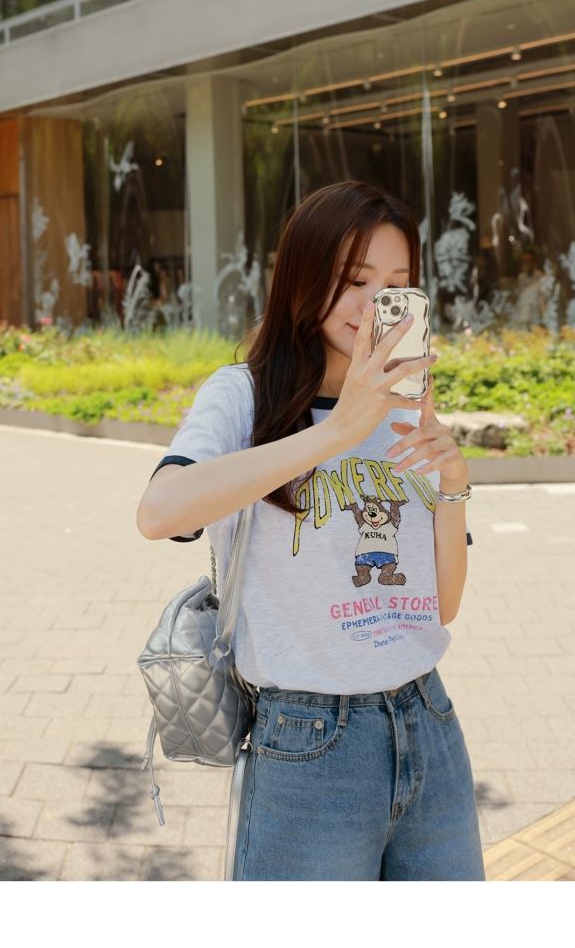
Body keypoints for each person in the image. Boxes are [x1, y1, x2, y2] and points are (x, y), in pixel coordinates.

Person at [136, 180, 485, 882]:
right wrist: (337, 432)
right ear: (304, 278)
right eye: (355, 281)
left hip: (428, 718)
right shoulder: (243, 395)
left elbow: (440, 607)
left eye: (396, 285)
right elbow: (160, 512)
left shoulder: (404, 404)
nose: (376, 305)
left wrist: (453, 487)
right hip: (308, 741)